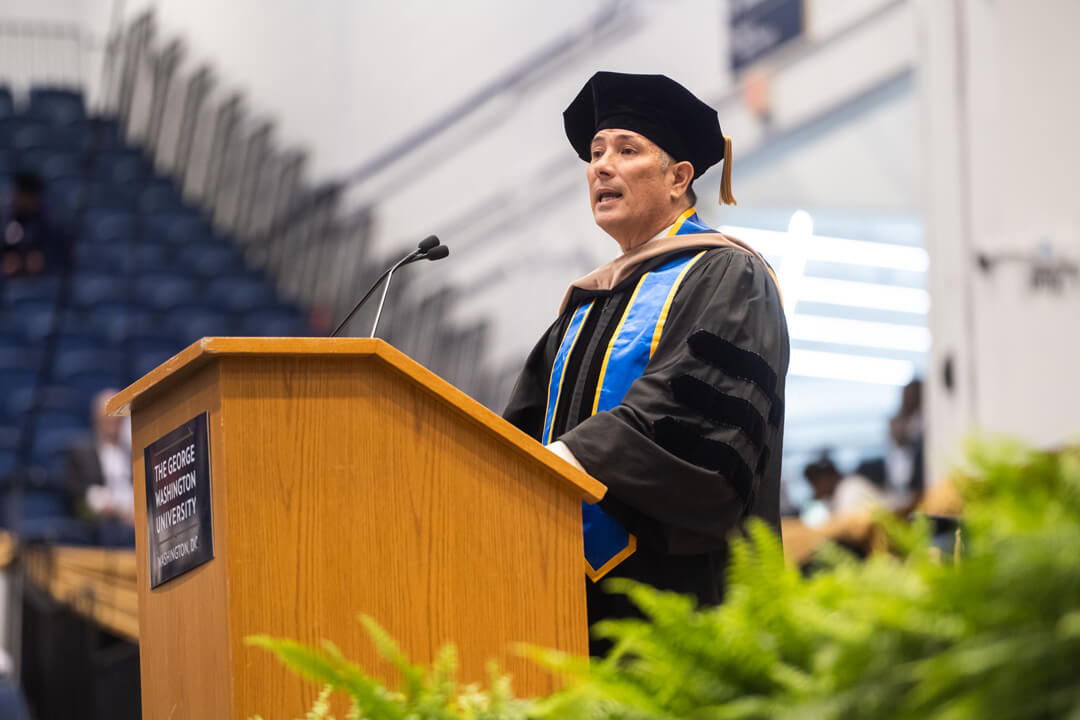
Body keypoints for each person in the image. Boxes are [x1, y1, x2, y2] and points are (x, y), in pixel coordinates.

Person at [503, 71, 789, 646]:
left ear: (679, 177)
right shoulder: (586, 304)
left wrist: (565, 461)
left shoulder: (729, 274)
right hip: (560, 595)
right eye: (596, 152)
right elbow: (517, 435)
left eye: (626, 150)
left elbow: (701, 424)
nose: (601, 167)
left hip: (679, 602)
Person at [64, 388, 136, 545]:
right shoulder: (81, 452)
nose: (113, 421)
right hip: (103, 522)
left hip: (135, 516)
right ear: (96, 418)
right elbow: (79, 498)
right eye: (108, 417)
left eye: (118, 417)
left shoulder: (132, 449)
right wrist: (119, 510)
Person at [1, 171, 65, 278]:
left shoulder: (50, 221)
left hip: (42, 279)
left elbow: (58, 253)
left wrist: (42, 260)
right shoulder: (4, 217)